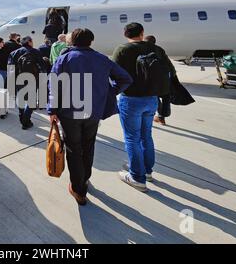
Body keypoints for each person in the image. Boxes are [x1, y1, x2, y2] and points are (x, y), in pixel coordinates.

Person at [48, 28, 132, 206]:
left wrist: (52, 110)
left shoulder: (64, 58)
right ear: (91, 41)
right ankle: (84, 179)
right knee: (88, 146)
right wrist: (108, 92)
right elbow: (125, 79)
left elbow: (54, 86)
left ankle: (79, 189)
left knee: (73, 149)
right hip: (93, 111)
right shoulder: (102, 58)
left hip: (69, 113)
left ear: (71, 41)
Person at [113, 23, 163, 192]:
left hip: (131, 99)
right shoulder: (155, 49)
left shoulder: (122, 50)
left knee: (132, 138)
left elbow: (114, 74)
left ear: (125, 34)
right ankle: (147, 171)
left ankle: (137, 177)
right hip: (152, 99)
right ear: (142, 33)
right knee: (146, 136)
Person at [8, 36, 47, 130]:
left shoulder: (14, 53)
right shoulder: (36, 52)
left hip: (18, 79)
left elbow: (10, 69)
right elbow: (42, 67)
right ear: (29, 42)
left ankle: (23, 118)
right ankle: (25, 121)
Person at [144, 35, 177, 126]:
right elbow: (169, 64)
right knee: (166, 97)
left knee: (155, 97)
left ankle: (153, 116)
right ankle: (162, 117)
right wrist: (172, 75)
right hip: (164, 78)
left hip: (152, 80)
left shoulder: (143, 50)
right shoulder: (160, 50)